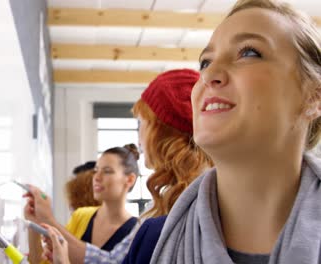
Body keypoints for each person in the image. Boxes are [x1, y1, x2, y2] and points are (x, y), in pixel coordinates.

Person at [148, 0, 321, 263]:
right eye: (205, 62)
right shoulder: (151, 242)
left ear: (313, 97)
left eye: (249, 53)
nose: (210, 74)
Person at [32, 69, 213, 264]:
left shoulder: (181, 213)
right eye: (97, 170)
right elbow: (113, 260)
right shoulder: (165, 206)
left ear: (160, 129)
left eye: (142, 122)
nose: (97, 177)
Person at [25, 144, 140, 263]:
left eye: (107, 171)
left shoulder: (137, 232)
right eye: (96, 170)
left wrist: (48, 218)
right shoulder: (81, 216)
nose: (97, 177)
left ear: (130, 179)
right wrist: (34, 224)